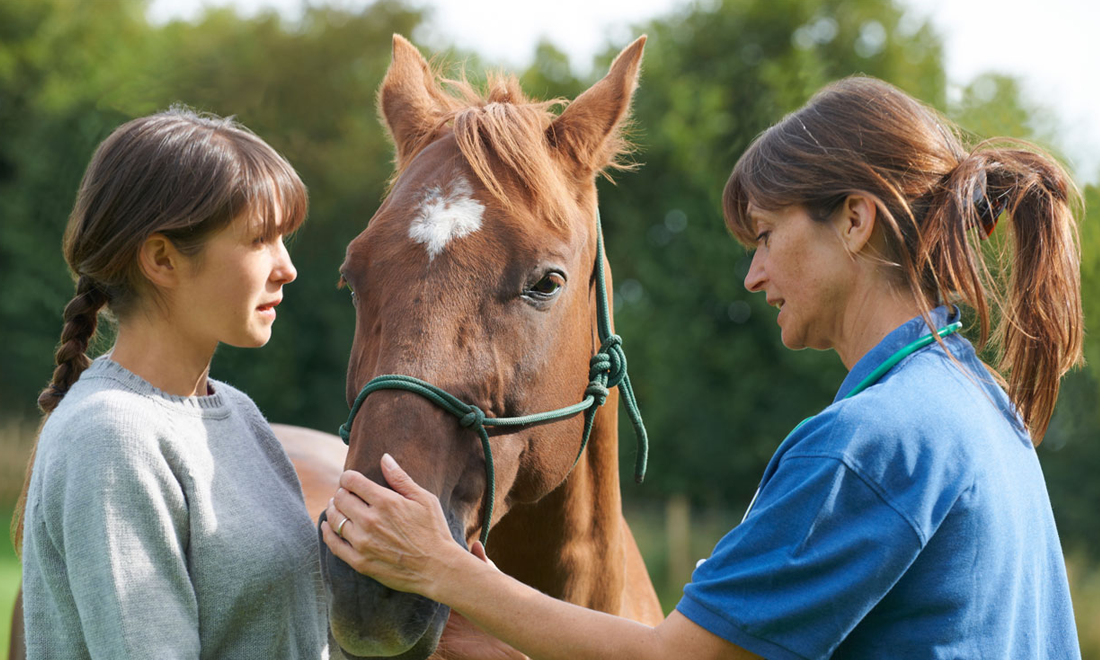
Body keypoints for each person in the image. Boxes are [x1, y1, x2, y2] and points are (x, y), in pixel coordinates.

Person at [320, 76, 1084, 659]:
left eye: (766, 235)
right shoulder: (975, 403)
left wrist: (445, 571)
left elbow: (678, 657)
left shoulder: (868, 444)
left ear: (854, 221)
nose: (753, 276)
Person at [14, 108, 331, 658]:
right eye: (260, 239)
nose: (287, 267)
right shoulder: (111, 437)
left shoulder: (238, 413)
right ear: (162, 258)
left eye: (285, 238)